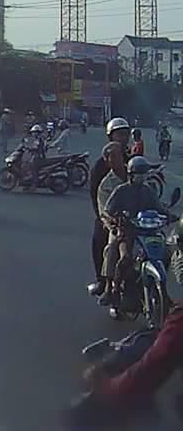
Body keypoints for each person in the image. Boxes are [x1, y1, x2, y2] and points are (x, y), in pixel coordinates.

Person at [100, 156, 169, 311]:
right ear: (131, 174)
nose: (142, 177)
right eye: (139, 173)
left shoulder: (148, 190)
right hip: (127, 232)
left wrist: (171, 216)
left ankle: (161, 292)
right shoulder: (121, 191)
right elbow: (107, 212)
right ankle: (112, 289)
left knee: (165, 253)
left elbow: (159, 209)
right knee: (124, 257)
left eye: (144, 173)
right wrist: (113, 221)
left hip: (148, 232)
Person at [89, 118, 133, 297]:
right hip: (108, 212)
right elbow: (95, 193)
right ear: (110, 136)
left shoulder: (133, 160)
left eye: (125, 134)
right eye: (119, 134)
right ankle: (102, 281)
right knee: (99, 240)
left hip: (133, 213)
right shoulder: (100, 166)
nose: (123, 138)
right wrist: (102, 217)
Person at [21, 123, 47, 189]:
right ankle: (28, 183)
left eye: (34, 132)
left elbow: (35, 147)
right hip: (37, 155)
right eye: (33, 132)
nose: (33, 133)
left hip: (38, 156)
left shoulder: (39, 139)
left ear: (37, 132)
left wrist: (28, 147)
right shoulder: (37, 138)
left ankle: (34, 183)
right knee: (26, 164)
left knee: (32, 167)